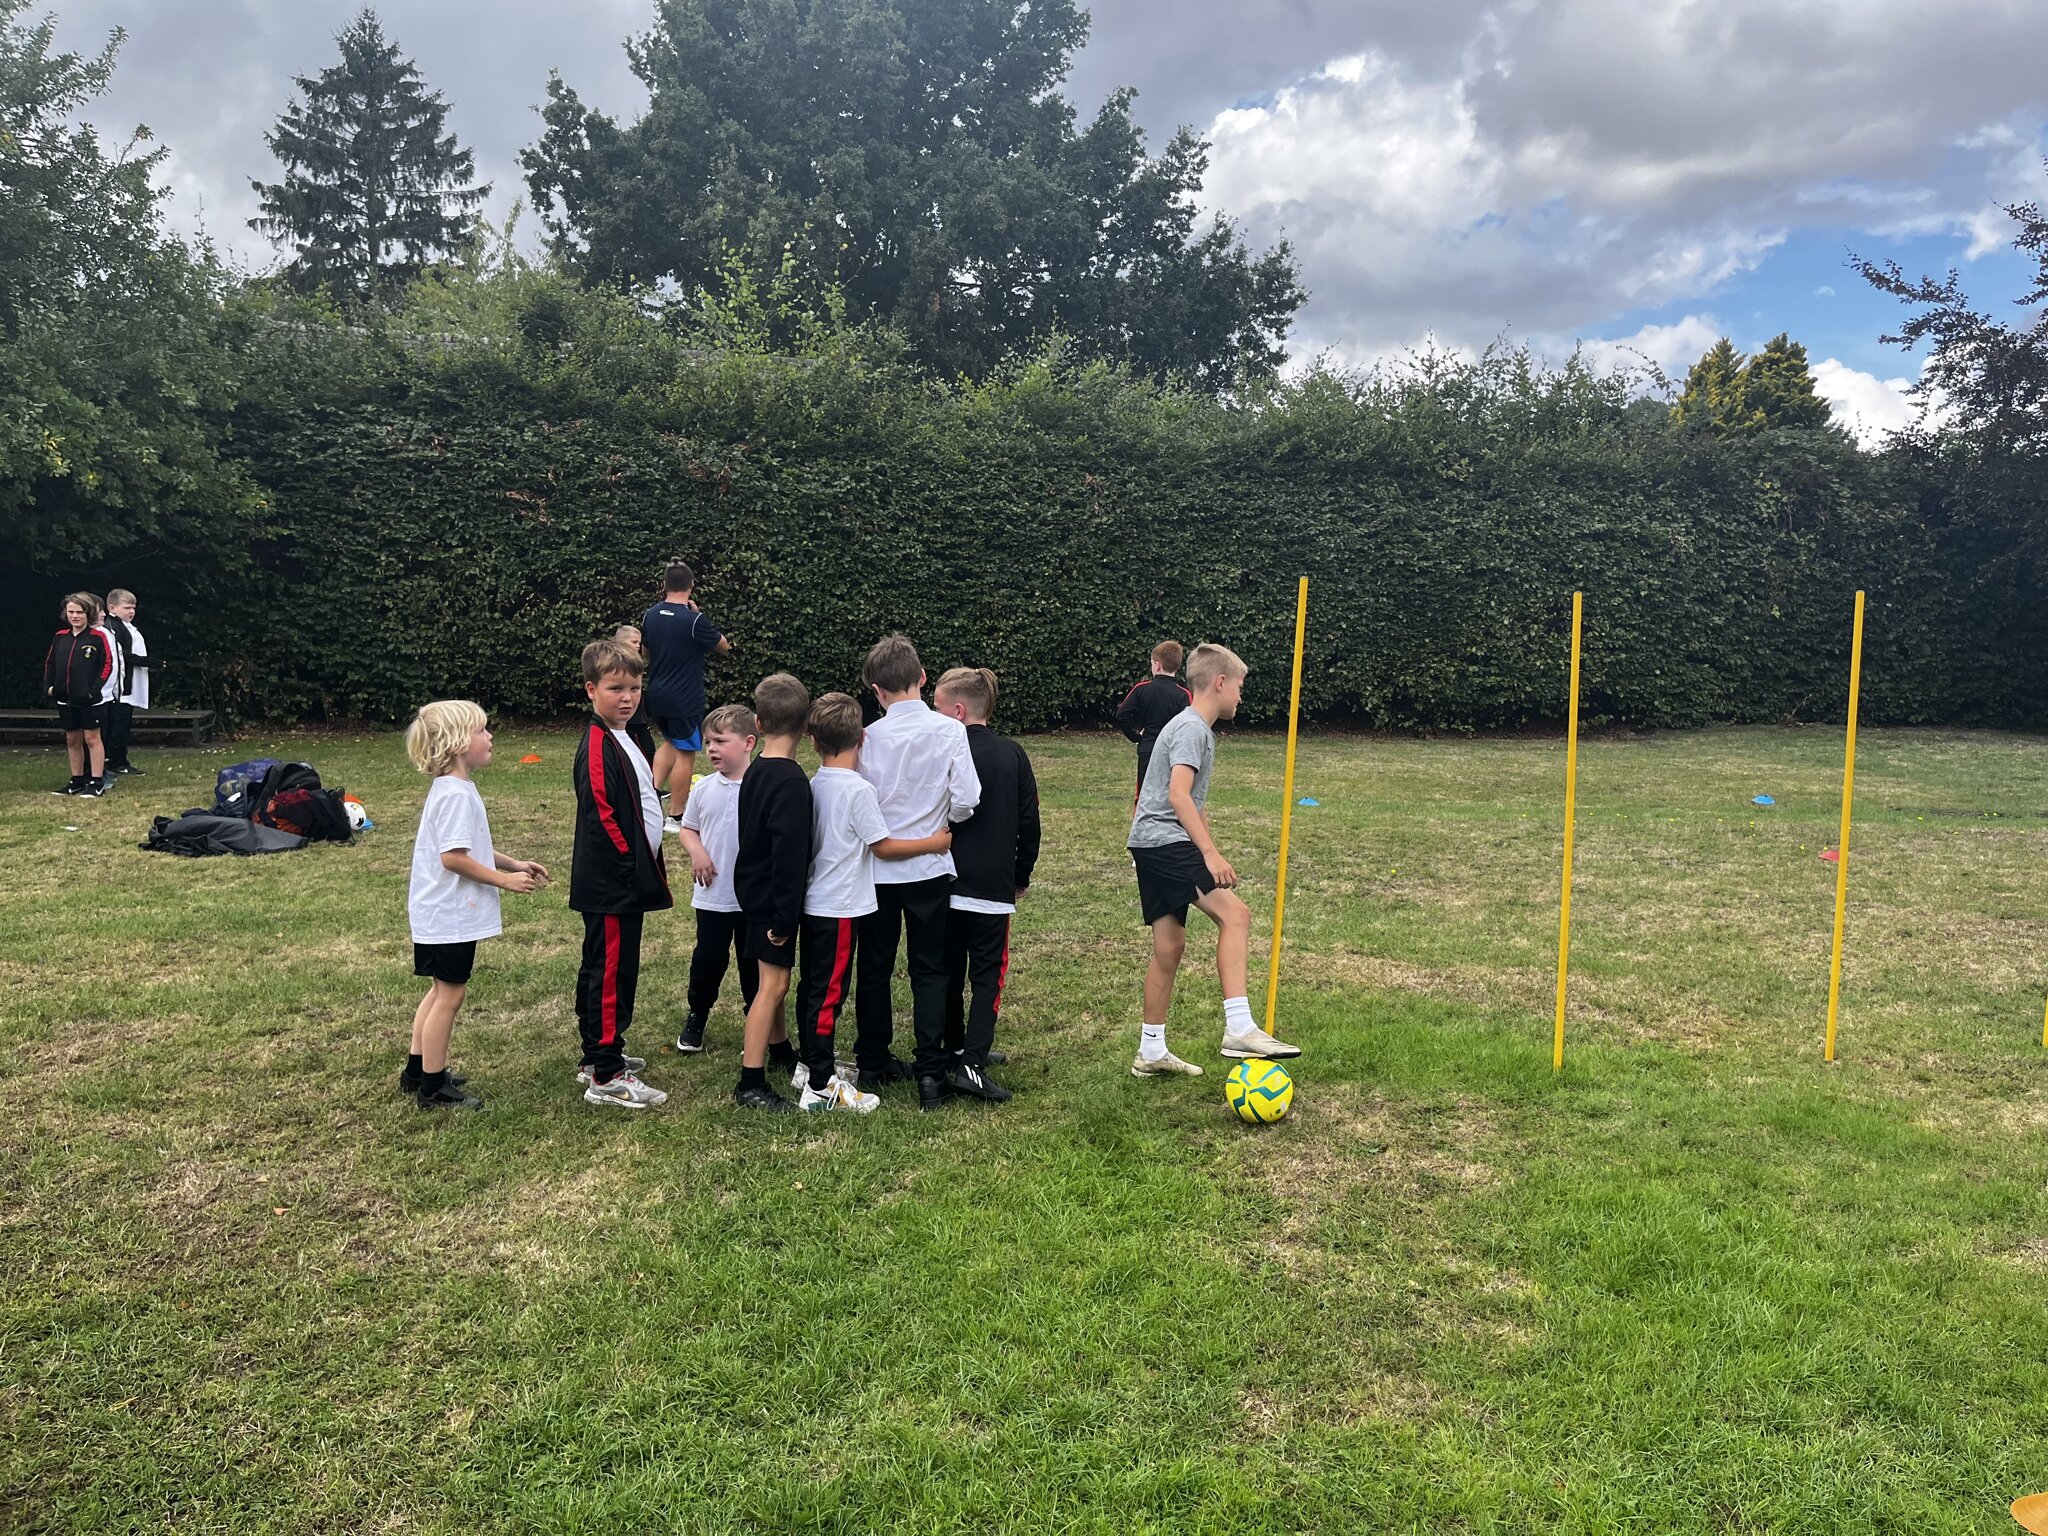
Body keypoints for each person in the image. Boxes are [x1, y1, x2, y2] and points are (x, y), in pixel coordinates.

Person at [1127, 643, 1300, 1078]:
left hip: (1152, 842)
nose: (1241, 696)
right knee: (1237, 916)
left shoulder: (1195, 729)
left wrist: (1211, 844)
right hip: (1165, 841)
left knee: (1170, 946)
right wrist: (1207, 852)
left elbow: (1194, 803)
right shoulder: (1191, 729)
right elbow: (1178, 795)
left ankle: (1150, 1051)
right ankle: (1240, 1028)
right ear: (1220, 683)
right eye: (1239, 686)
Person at [795, 693, 954, 1113]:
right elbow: (882, 847)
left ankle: (813, 1065)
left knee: (815, 988)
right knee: (829, 994)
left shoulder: (816, 784)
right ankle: (822, 1085)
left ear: (813, 742)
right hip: (842, 904)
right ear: (863, 737)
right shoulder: (859, 790)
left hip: (818, 901)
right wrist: (934, 842)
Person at [853, 633, 981, 1112]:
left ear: (875, 689)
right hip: (929, 865)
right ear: (923, 678)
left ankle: (873, 1060)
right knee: (930, 969)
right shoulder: (949, 731)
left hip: (881, 868)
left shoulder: (868, 737)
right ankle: (930, 1072)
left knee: (875, 967)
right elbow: (968, 798)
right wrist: (946, 820)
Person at [402, 700, 549, 1110]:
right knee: (450, 995)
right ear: (455, 743)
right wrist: (504, 880)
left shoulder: (454, 789)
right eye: (482, 731)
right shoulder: (455, 795)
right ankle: (433, 1087)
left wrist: (513, 862)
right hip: (448, 915)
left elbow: (471, 847)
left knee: (438, 992)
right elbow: (453, 858)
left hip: (438, 913)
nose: (490, 737)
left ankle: (417, 1071)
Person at [570, 638, 674, 1110]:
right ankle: (606, 1073)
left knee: (608, 966)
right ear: (592, 690)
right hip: (613, 885)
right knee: (610, 971)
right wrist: (631, 867)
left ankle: (599, 1054)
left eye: (634, 687)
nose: (628, 697)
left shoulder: (627, 736)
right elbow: (601, 814)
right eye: (616, 688)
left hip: (627, 880)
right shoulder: (596, 744)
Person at [933, 667, 1040, 1103]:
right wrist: (1020, 875)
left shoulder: (940, 752)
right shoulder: (1012, 755)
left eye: (936, 708)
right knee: (986, 977)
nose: (931, 715)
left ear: (958, 711)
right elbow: (1029, 822)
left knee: (947, 970)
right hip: (991, 887)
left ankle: (960, 1050)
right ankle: (970, 1063)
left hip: (940, 881)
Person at [730, 672, 812, 1112]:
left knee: (771, 979)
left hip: (754, 894)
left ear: (758, 724)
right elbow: (789, 857)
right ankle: (751, 1080)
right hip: (772, 902)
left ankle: (780, 1050)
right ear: (806, 727)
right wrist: (784, 917)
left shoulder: (757, 770)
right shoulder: (792, 783)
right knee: (773, 986)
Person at [675, 702, 762, 1055]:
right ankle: (698, 1013)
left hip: (751, 899)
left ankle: (756, 1021)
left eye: (721, 741)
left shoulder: (761, 786)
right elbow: (688, 829)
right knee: (708, 958)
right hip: (712, 896)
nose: (711, 749)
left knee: (752, 962)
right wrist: (697, 852)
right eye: (708, 742)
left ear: (748, 743)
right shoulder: (703, 788)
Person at [641, 561, 731, 830]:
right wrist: (699, 615)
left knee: (669, 742)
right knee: (686, 752)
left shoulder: (650, 615)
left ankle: (651, 797)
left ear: (664, 585)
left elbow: (645, 652)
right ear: (691, 586)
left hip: (656, 694)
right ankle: (676, 817)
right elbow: (724, 647)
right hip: (684, 699)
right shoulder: (694, 620)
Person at [44, 593, 113, 798]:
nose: (74, 616)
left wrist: (94, 689)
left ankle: (96, 781)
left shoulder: (98, 637)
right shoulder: (60, 637)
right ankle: (76, 779)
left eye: (79, 612)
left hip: (89, 699)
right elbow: (51, 663)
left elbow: (107, 664)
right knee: (72, 738)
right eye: (71, 612)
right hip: (65, 697)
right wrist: (49, 687)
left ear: (87, 614)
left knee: (92, 738)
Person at [1115, 640, 1192, 798]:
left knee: (1144, 795)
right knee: (1172, 795)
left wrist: (1136, 737)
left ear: (1157, 665)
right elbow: (1189, 725)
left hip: (1148, 748)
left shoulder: (1142, 689)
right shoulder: (1184, 694)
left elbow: (1121, 715)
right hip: (1173, 752)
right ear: (1177, 666)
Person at [100, 589, 150, 776]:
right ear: (112, 608)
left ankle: (118, 758)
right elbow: (121, 655)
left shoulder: (127, 626)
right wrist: (148, 662)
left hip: (130, 682)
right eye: (127, 607)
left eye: (133, 608)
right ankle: (115, 760)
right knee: (118, 723)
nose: (131, 611)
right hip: (119, 687)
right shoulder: (113, 626)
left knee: (123, 723)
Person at [612, 624, 662, 771]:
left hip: (639, 717)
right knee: (645, 750)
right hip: (631, 719)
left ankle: (651, 783)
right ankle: (651, 785)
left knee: (647, 750)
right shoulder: (617, 665)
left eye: (639, 643)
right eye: (633, 642)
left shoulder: (635, 663)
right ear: (620, 642)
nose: (638, 646)